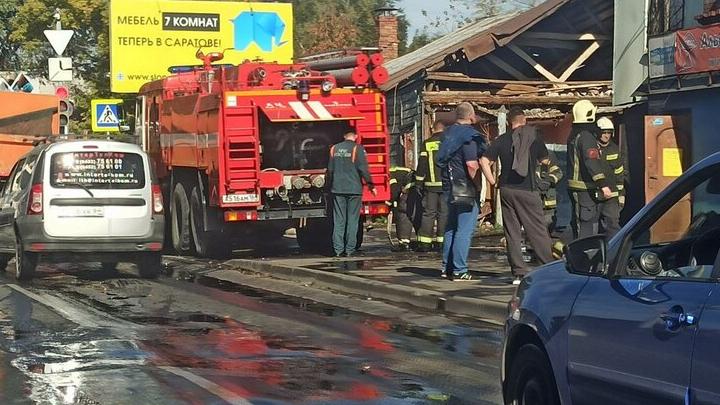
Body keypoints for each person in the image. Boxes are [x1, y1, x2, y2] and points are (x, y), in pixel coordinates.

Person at [480, 107, 553, 284]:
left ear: (509, 122)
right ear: (524, 120)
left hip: (506, 190)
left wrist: (492, 182)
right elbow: (545, 161)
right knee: (537, 230)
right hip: (528, 190)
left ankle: (518, 273)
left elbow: (484, 161)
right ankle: (548, 268)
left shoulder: (501, 140)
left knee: (512, 232)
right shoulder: (534, 138)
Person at [437, 102, 486, 281]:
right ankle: (460, 270)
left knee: (451, 228)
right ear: (471, 116)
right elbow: (471, 165)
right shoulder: (469, 137)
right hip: (464, 188)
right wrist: (478, 184)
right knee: (464, 231)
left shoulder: (447, 135)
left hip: (448, 188)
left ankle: (446, 267)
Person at [566, 100, 613, 239]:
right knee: (586, 224)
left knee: (579, 222)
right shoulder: (586, 137)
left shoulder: (574, 134)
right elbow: (591, 162)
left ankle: (562, 249)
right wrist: (603, 185)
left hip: (577, 187)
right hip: (584, 189)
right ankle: (583, 256)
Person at [327, 129, 377, 257]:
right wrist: (371, 185)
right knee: (352, 220)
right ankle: (349, 250)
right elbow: (363, 169)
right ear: (355, 136)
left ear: (344, 136)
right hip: (354, 190)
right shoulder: (358, 149)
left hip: (338, 189)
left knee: (339, 220)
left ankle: (338, 250)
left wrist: (330, 186)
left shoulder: (334, 149)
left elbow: (330, 170)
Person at [415, 120, 448, 252]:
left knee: (429, 213)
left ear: (432, 129)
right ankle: (442, 242)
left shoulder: (427, 143)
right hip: (446, 185)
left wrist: (418, 182)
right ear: (444, 129)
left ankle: (425, 243)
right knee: (444, 214)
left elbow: (422, 164)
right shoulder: (448, 142)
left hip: (430, 186)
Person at [596, 117, 624, 239]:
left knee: (612, 224)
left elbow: (619, 173)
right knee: (593, 226)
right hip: (594, 194)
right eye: (604, 132)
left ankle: (616, 250)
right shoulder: (591, 148)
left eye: (609, 133)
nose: (606, 136)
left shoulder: (614, 149)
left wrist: (621, 194)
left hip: (612, 195)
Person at [388, 165, 416, 251]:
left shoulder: (390, 175)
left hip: (411, 184)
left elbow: (394, 190)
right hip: (415, 183)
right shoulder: (394, 172)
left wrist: (390, 202)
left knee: (403, 210)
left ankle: (404, 242)